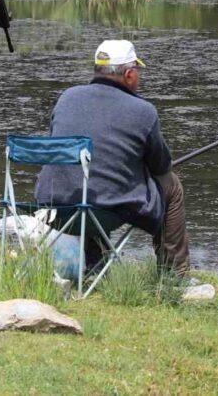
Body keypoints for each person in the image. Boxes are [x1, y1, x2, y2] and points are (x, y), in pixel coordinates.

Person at [35, 40, 190, 276]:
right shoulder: (143, 110)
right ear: (129, 74)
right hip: (102, 211)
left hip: (53, 207)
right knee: (172, 185)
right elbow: (161, 165)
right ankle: (175, 274)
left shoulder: (67, 97)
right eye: (137, 71)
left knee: (88, 181)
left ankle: (95, 264)